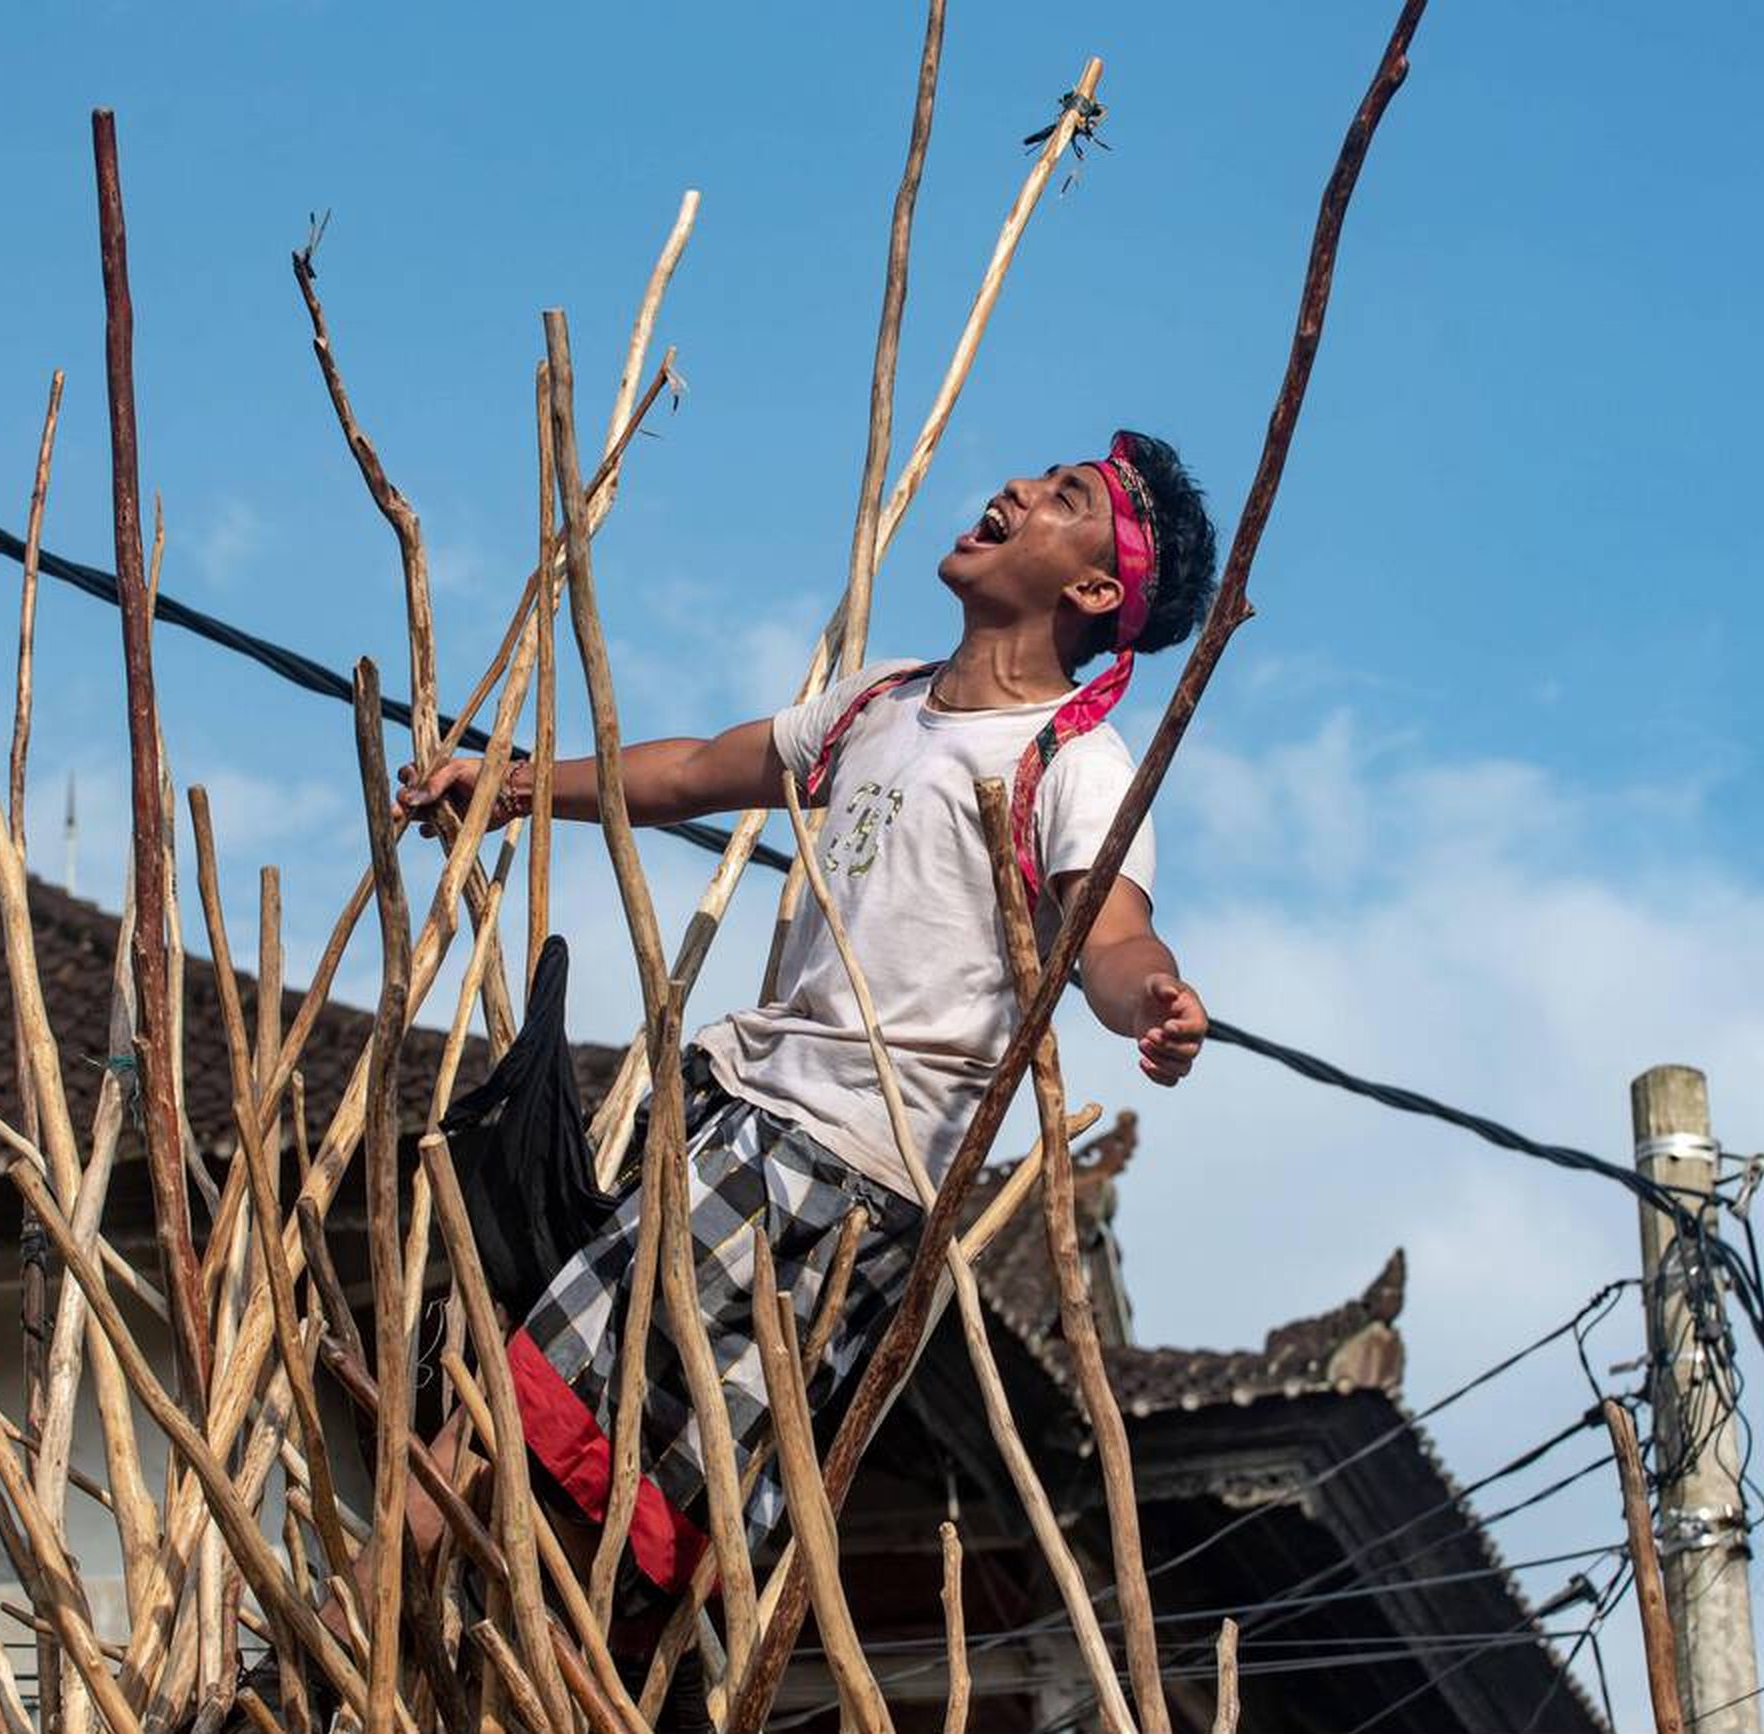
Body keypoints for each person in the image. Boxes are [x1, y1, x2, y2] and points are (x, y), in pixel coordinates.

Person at [392, 430, 1217, 1719]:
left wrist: (1149, 1007)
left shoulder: (1070, 760)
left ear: (1097, 594)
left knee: (555, 1432)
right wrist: (508, 787)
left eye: (1062, 500)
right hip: (748, 1114)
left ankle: (361, 1628)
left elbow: (1105, 934)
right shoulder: (881, 701)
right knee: (562, 1428)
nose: (1012, 489)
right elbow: (686, 772)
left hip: (848, 1164)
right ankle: (408, 1649)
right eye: (1034, 476)